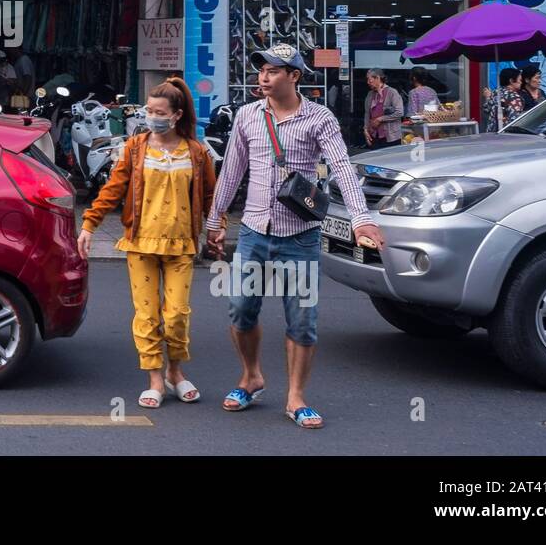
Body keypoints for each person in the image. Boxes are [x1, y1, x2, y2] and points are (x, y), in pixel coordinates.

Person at [204, 44, 384, 429]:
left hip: (299, 236)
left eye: (273, 71)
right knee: (240, 309)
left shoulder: (319, 119)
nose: (264, 77)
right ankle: (251, 377)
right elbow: (232, 170)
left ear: (294, 76)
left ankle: (296, 397)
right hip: (253, 232)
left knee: (302, 321)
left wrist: (361, 219)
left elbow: (342, 168)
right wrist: (214, 220)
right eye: (261, 71)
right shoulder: (247, 116)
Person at [78, 78, 217, 409]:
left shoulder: (196, 153)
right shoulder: (135, 147)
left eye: (158, 112)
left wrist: (216, 228)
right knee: (147, 315)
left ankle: (176, 372)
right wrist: (88, 225)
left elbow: (211, 196)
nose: (151, 116)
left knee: (178, 314)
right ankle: (155, 378)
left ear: (176, 115)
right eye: (149, 110)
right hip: (140, 243)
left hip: (182, 244)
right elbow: (113, 188)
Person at [363, 68, 404, 149]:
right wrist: (365, 129)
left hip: (391, 137)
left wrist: (380, 119)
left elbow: (399, 112)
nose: (368, 82)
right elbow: (367, 114)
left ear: (378, 78)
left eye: (370, 80)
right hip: (374, 135)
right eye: (367, 79)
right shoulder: (370, 94)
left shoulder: (392, 92)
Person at [482, 67, 525, 132]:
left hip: (491, 133)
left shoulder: (495, 92)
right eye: (520, 80)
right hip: (507, 135)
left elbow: (486, 109)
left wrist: (488, 97)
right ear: (511, 81)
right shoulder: (514, 97)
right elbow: (515, 120)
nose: (521, 83)